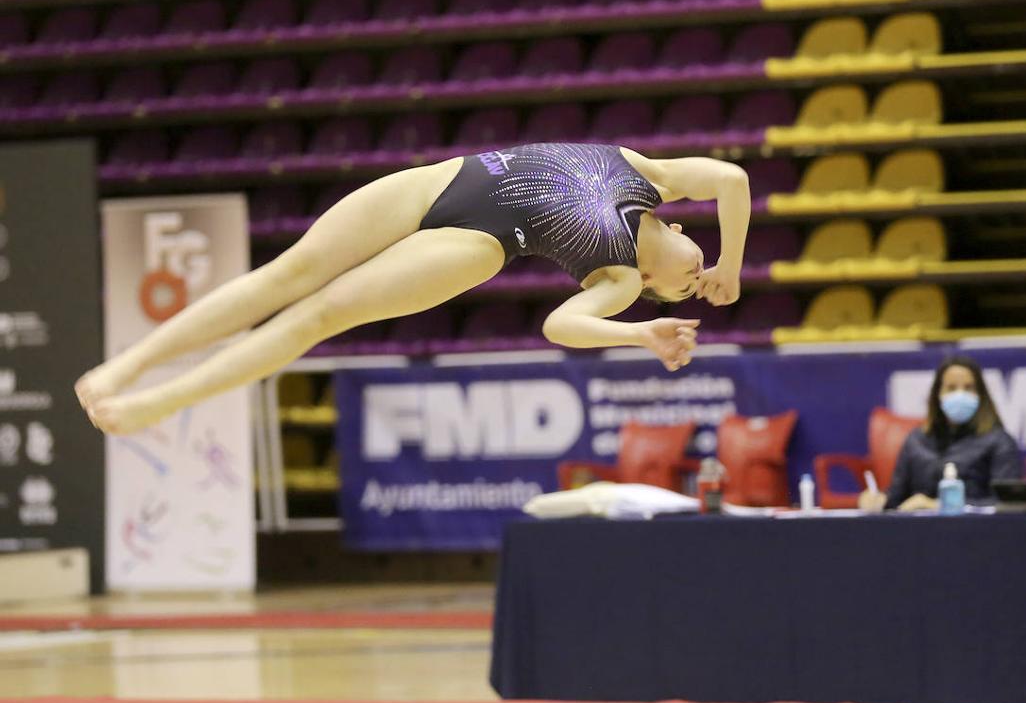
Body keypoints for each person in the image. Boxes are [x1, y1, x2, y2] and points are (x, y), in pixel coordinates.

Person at [76, 143, 750, 434]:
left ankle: (160, 402)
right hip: (446, 179)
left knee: (319, 315)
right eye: (698, 273)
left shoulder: (621, 279)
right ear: (682, 228)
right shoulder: (653, 177)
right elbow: (733, 180)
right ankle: (125, 367)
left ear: (652, 286)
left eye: (686, 291)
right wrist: (730, 265)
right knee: (284, 275)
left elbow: (561, 327)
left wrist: (641, 332)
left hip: (476, 243)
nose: (695, 281)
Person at [860, 355, 1022, 512]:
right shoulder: (916, 440)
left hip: (974, 528)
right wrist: (878, 500)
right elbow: (895, 498)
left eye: (969, 388)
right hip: (918, 528)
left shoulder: (1000, 442)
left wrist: (940, 506)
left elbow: (1006, 503)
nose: (960, 394)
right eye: (951, 388)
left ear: (981, 395)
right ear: (937, 394)